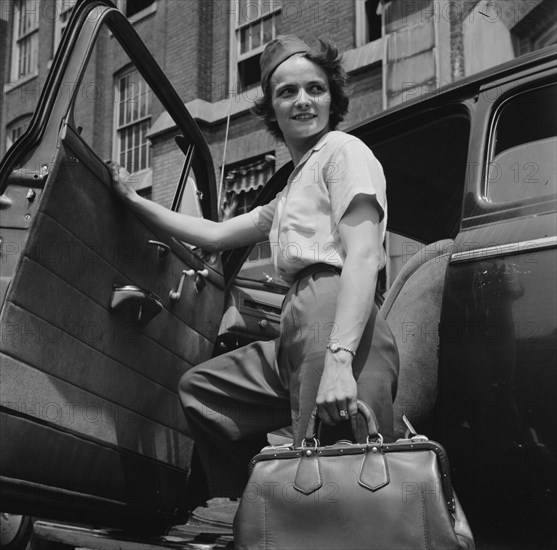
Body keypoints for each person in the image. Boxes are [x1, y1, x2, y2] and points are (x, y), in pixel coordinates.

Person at [110, 35, 398, 507]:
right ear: (272, 106)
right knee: (202, 391)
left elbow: (364, 256)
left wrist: (340, 360)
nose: (303, 100)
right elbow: (214, 235)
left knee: (341, 486)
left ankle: (287, 521)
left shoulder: (344, 151)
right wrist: (132, 200)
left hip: (336, 312)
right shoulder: (289, 191)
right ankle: (250, 510)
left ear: (333, 97)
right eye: (287, 92)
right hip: (295, 325)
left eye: (315, 89)